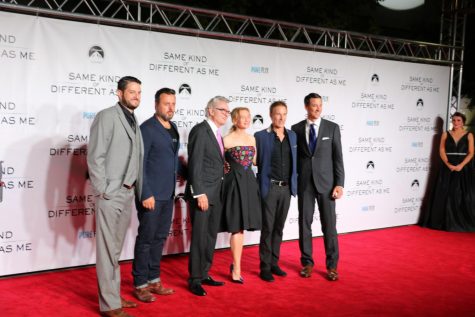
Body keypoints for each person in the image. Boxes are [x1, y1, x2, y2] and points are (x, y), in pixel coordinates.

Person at [87, 76, 143, 317]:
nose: (136, 96)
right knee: (108, 249)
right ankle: (109, 305)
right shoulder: (107, 116)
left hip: (128, 193)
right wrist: (104, 189)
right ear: (119, 93)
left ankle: (113, 294)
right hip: (111, 193)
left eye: (139, 92)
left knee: (116, 249)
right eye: (132, 92)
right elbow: (95, 155)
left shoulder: (133, 118)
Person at [291, 93, 344, 281]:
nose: (318, 108)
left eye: (320, 105)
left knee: (329, 226)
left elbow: (338, 158)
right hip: (305, 184)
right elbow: (294, 158)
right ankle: (307, 263)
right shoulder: (295, 129)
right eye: (314, 105)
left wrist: (339, 183)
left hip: (327, 185)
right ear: (306, 107)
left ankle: (332, 266)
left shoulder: (332, 128)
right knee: (304, 225)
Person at [131, 88, 178, 303]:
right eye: (166, 103)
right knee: (146, 239)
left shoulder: (173, 128)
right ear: (156, 105)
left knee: (159, 238)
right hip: (151, 195)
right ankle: (140, 284)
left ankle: (154, 279)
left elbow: (169, 160)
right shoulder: (147, 129)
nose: (170, 108)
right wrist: (145, 192)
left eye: (173, 104)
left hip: (168, 194)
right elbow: (139, 164)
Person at [185, 96, 230, 296]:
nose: (226, 114)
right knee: (199, 236)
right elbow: (195, 165)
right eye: (223, 110)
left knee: (210, 235)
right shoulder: (200, 131)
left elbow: (210, 161)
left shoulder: (218, 133)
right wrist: (199, 193)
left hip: (216, 193)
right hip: (203, 194)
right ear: (211, 111)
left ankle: (204, 273)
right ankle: (194, 279)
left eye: (228, 111)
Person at [255, 101, 297, 282]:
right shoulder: (260, 136)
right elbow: (253, 159)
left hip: (287, 189)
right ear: (271, 115)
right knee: (268, 228)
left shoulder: (293, 136)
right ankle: (264, 267)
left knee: (279, 228)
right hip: (269, 188)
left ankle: (274, 263)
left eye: (284, 114)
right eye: (278, 114)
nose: (281, 117)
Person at [222, 107, 262, 284]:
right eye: (242, 117)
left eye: (248, 117)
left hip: (249, 183)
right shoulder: (226, 139)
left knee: (243, 226)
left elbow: (255, 161)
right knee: (236, 226)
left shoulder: (252, 138)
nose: (246, 120)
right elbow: (217, 162)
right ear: (234, 119)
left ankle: (236, 265)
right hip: (233, 184)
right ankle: (236, 267)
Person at [421, 112, 475, 231]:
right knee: (445, 194)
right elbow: (441, 150)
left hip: (463, 168)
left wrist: (461, 165)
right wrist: (448, 164)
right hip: (447, 167)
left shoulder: (469, 135)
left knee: (463, 195)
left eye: (458, 120)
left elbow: (471, 152)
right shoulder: (445, 134)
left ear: (463, 122)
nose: (456, 123)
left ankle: (462, 223)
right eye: (454, 120)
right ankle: (444, 223)